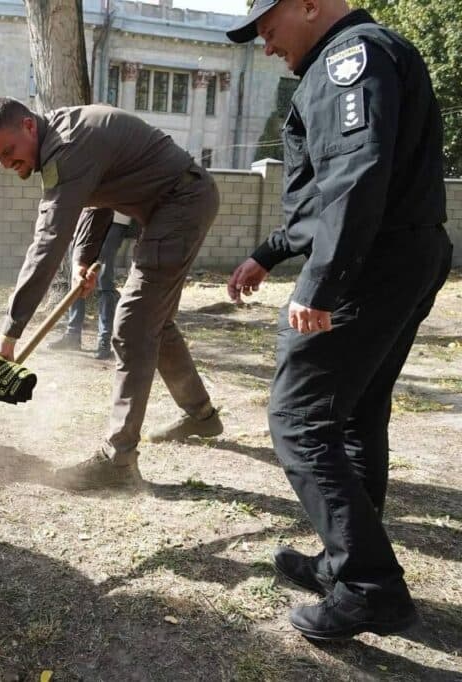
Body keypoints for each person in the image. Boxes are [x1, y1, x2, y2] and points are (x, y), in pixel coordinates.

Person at [226, 0, 453, 640]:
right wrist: (268, 255)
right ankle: (344, 563)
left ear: (308, 5)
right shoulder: (352, 57)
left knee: (298, 418)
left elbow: (356, 175)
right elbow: (326, 191)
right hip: (402, 252)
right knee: (354, 414)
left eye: (269, 30)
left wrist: (321, 283)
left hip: (371, 262)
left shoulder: (350, 57)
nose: (266, 46)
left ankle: (369, 586)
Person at [0, 97, 223, 492]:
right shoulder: (66, 138)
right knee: (154, 320)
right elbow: (98, 200)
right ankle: (202, 415)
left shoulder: (68, 146)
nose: (7, 163)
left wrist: (11, 332)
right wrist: (83, 260)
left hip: (182, 202)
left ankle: (118, 459)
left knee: (132, 324)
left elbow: (47, 241)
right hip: (172, 204)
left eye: (9, 151)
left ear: (28, 127)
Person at [48, 214, 139, 360]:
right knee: (79, 277)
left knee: (104, 277)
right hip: (88, 217)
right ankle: (73, 335)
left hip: (117, 219)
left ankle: (104, 341)